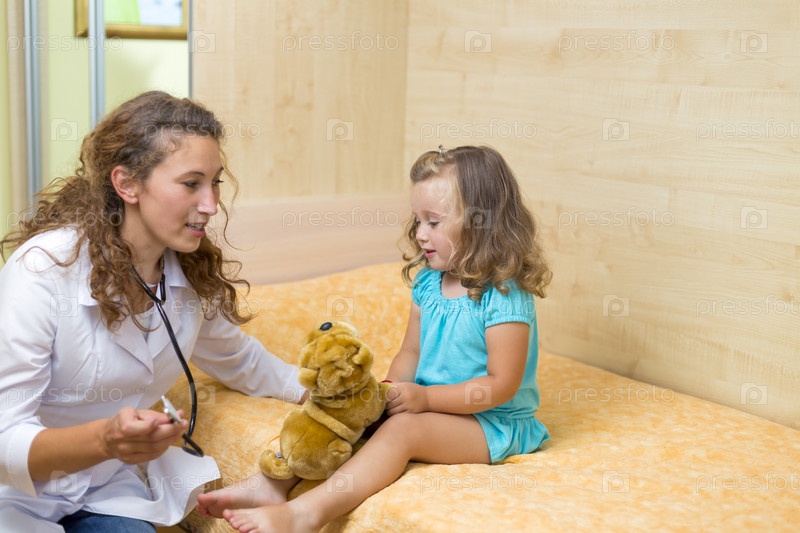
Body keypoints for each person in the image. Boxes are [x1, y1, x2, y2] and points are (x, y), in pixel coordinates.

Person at [197, 145, 553, 532]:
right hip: (431, 406)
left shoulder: (504, 295)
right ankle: (271, 483)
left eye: (434, 222)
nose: (420, 234)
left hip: (491, 424)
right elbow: (410, 351)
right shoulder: (429, 283)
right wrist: (385, 393)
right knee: (347, 409)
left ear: (481, 222)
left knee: (403, 430)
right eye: (418, 220)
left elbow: (500, 385)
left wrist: (426, 399)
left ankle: (305, 514)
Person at [0, 91, 308, 532]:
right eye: (191, 184)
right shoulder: (43, 270)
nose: (211, 204)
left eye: (215, 182)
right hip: (17, 497)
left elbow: (241, 360)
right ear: (127, 184)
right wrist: (105, 440)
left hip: (104, 490)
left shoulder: (186, 274)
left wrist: (331, 394)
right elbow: (4, 439)